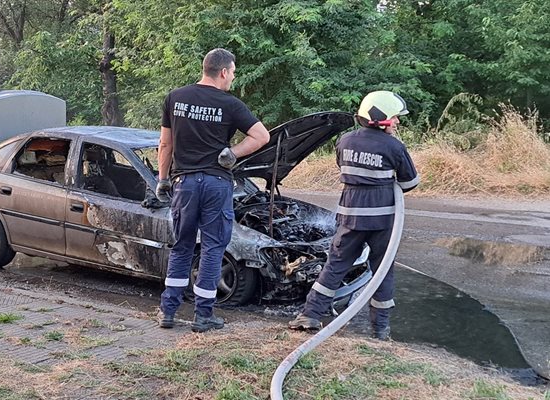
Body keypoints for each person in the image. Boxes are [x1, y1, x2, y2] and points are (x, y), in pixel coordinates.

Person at [288, 90, 419, 340]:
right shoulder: (394, 146)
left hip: (349, 214)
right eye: (395, 117)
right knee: (382, 269)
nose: (398, 122)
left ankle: (310, 314)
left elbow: (344, 167)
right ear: (381, 118)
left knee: (335, 265)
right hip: (382, 219)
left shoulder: (345, 141)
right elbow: (410, 182)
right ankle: (380, 329)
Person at [156, 48, 270, 332]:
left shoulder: (175, 97)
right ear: (222, 72)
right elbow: (262, 136)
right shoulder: (229, 104)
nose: (233, 77)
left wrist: (162, 179)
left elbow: (165, 145)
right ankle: (203, 316)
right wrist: (232, 152)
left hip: (184, 184)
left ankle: (168, 312)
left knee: (181, 247)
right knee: (212, 248)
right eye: (233, 72)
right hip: (216, 184)